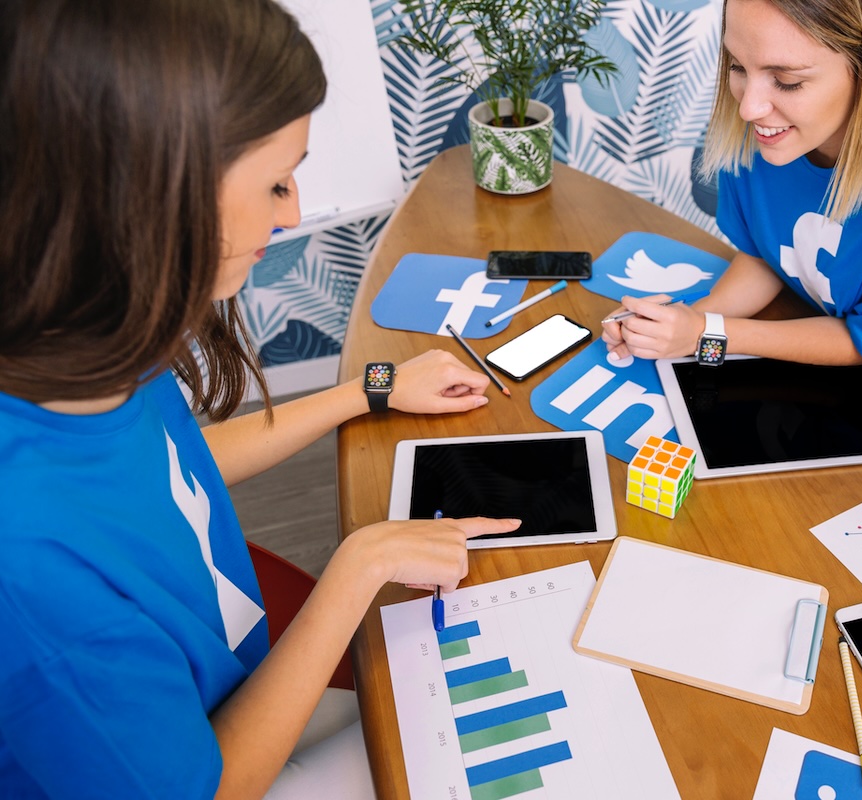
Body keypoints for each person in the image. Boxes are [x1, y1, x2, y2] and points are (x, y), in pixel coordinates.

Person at [0, 1, 521, 797]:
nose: (293, 214)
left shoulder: (86, 342)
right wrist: (360, 564)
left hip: (226, 679)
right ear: (151, 193)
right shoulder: (31, 576)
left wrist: (371, 391)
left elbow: (168, 464)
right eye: (276, 182)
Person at [601, 0, 862, 418]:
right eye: (737, 66)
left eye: (785, 81)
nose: (749, 108)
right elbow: (767, 256)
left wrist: (706, 334)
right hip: (807, 381)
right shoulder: (767, 129)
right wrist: (679, 325)